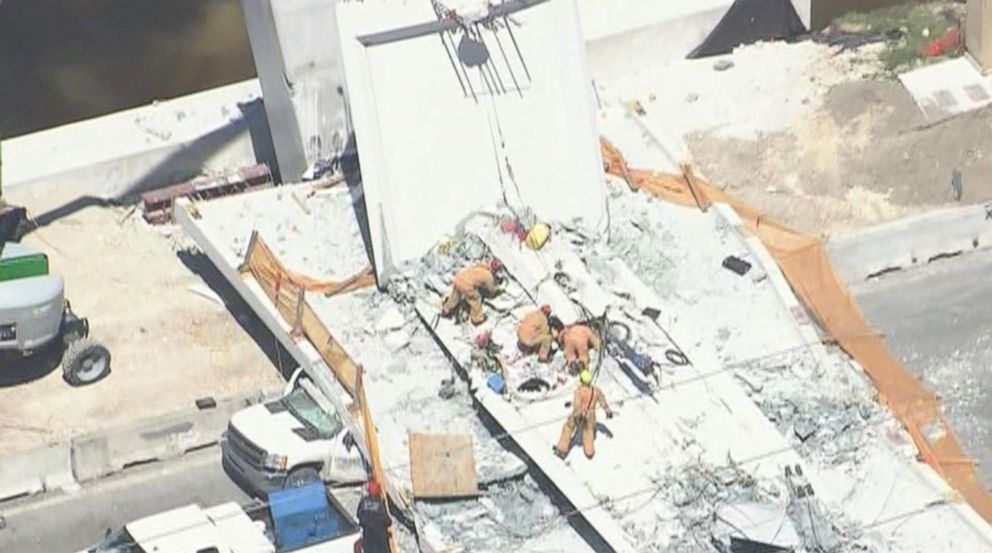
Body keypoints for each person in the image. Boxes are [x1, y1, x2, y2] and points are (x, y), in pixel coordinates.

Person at [554, 370, 613, 459]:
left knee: (567, 428)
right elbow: (602, 400)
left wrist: (577, 413)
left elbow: (577, 404)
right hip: (590, 416)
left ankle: (561, 450)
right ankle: (589, 453)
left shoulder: (579, 390)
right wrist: (607, 410)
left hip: (579, 413)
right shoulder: (596, 390)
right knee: (588, 433)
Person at [440, 258, 503, 325]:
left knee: (455, 296)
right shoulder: (488, 276)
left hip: (459, 278)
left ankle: (446, 310)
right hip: (467, 285)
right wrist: (498, 289)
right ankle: (477, 319)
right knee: (475, 299)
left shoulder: (481, 266)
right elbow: (491, 290)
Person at [356, 479, 391, 553]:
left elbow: (358, 515)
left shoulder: (363, 502)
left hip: (368, 540)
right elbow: (387, 520)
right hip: (380, 541)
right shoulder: (380, 504)